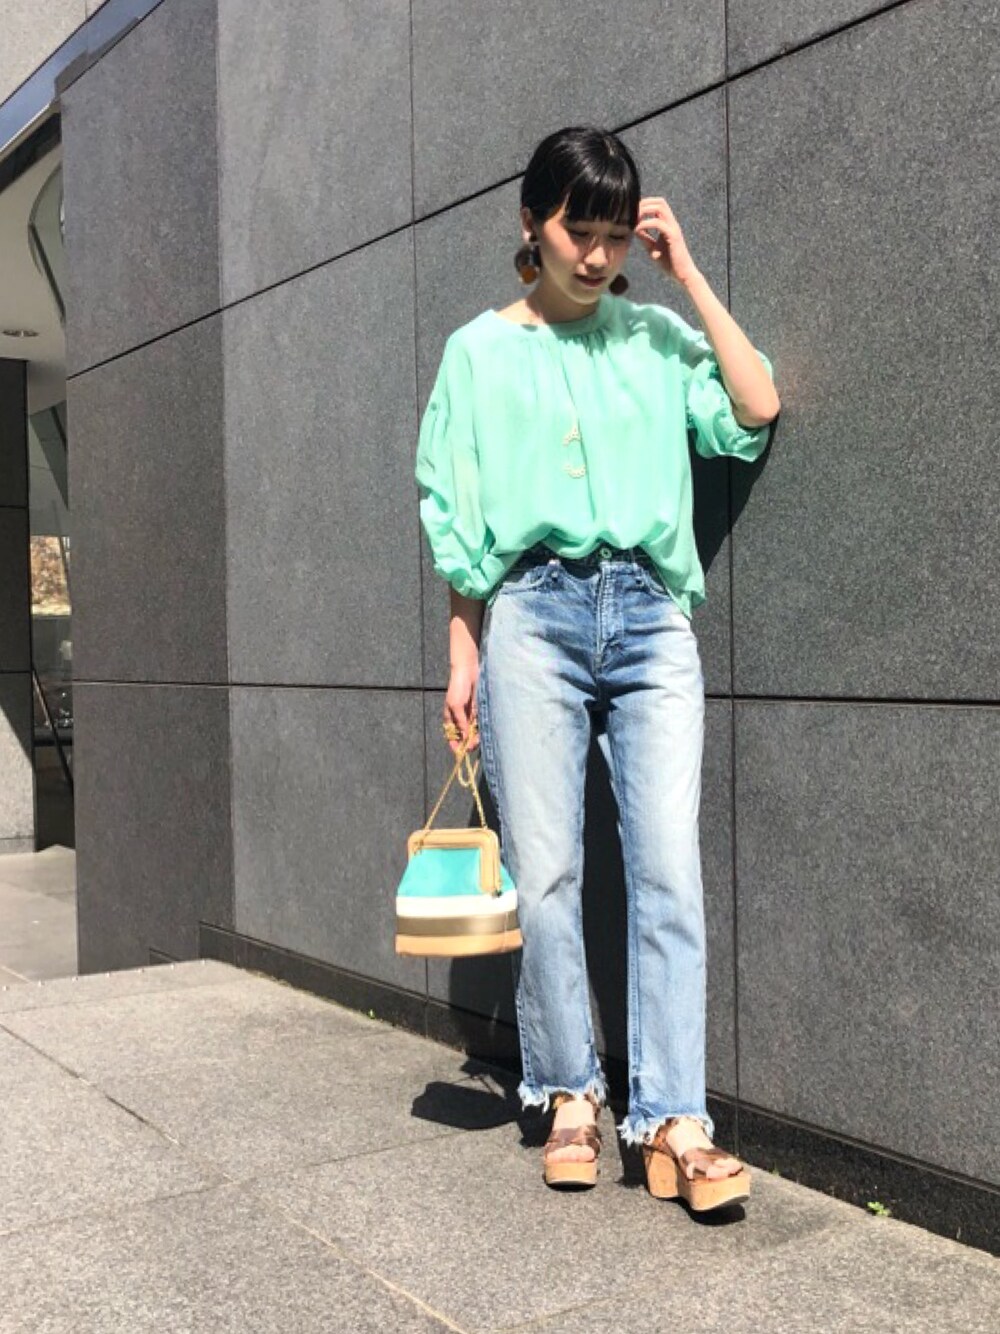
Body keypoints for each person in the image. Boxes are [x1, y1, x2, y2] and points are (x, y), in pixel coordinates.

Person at [414, 126, 780, 1214]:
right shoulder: (477, 353)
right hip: (531, 613)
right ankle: (569, 1091)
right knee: (549, 871)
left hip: (651, 616)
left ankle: (672, 1119)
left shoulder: (655, 338)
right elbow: (456, 506)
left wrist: (689, 274)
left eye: (616, 235)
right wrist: (462, 651)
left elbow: (754, 407)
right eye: (581, 230)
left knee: (668, 867)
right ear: (531, 221)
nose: (598, 254)